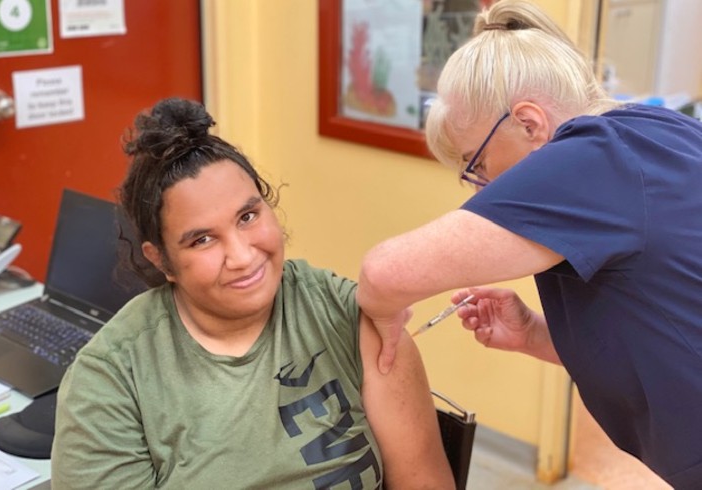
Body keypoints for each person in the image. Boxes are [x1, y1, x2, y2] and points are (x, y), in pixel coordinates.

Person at [356, 1, 702, 488]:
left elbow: (383, 274)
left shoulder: (589, 160)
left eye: (476, 165)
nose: (481, 189)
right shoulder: (661, 130)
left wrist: (387, 314)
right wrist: (535, 335)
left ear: (529, 124)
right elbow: (662, 325)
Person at [51, 98, 454, 489]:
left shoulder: (342, 313)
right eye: (203, 240)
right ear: (162, 261)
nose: (243, 257)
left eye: (248, 216)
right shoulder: (110, 382)